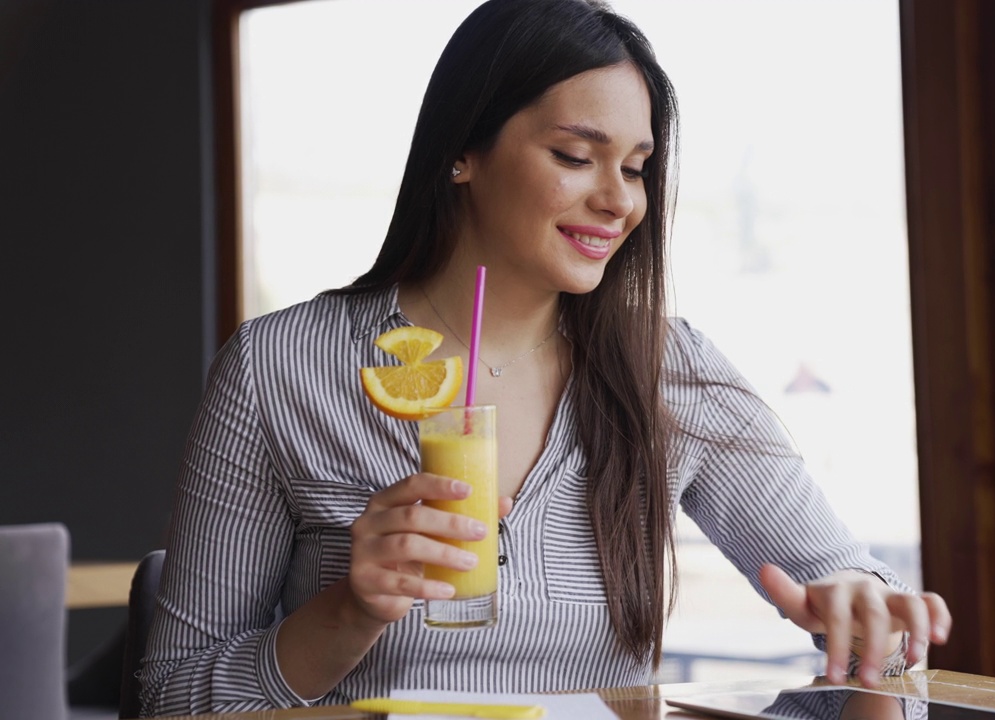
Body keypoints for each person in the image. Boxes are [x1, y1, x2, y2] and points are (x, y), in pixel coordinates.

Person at [138, 0, 951, 715]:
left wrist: (872, 637)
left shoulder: (670, 369)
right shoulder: (281, 369)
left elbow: (864, 616)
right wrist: (349, 610)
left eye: (636, 168)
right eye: (574, 156)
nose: (619, 199)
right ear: (463, 150)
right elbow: (172, 699)